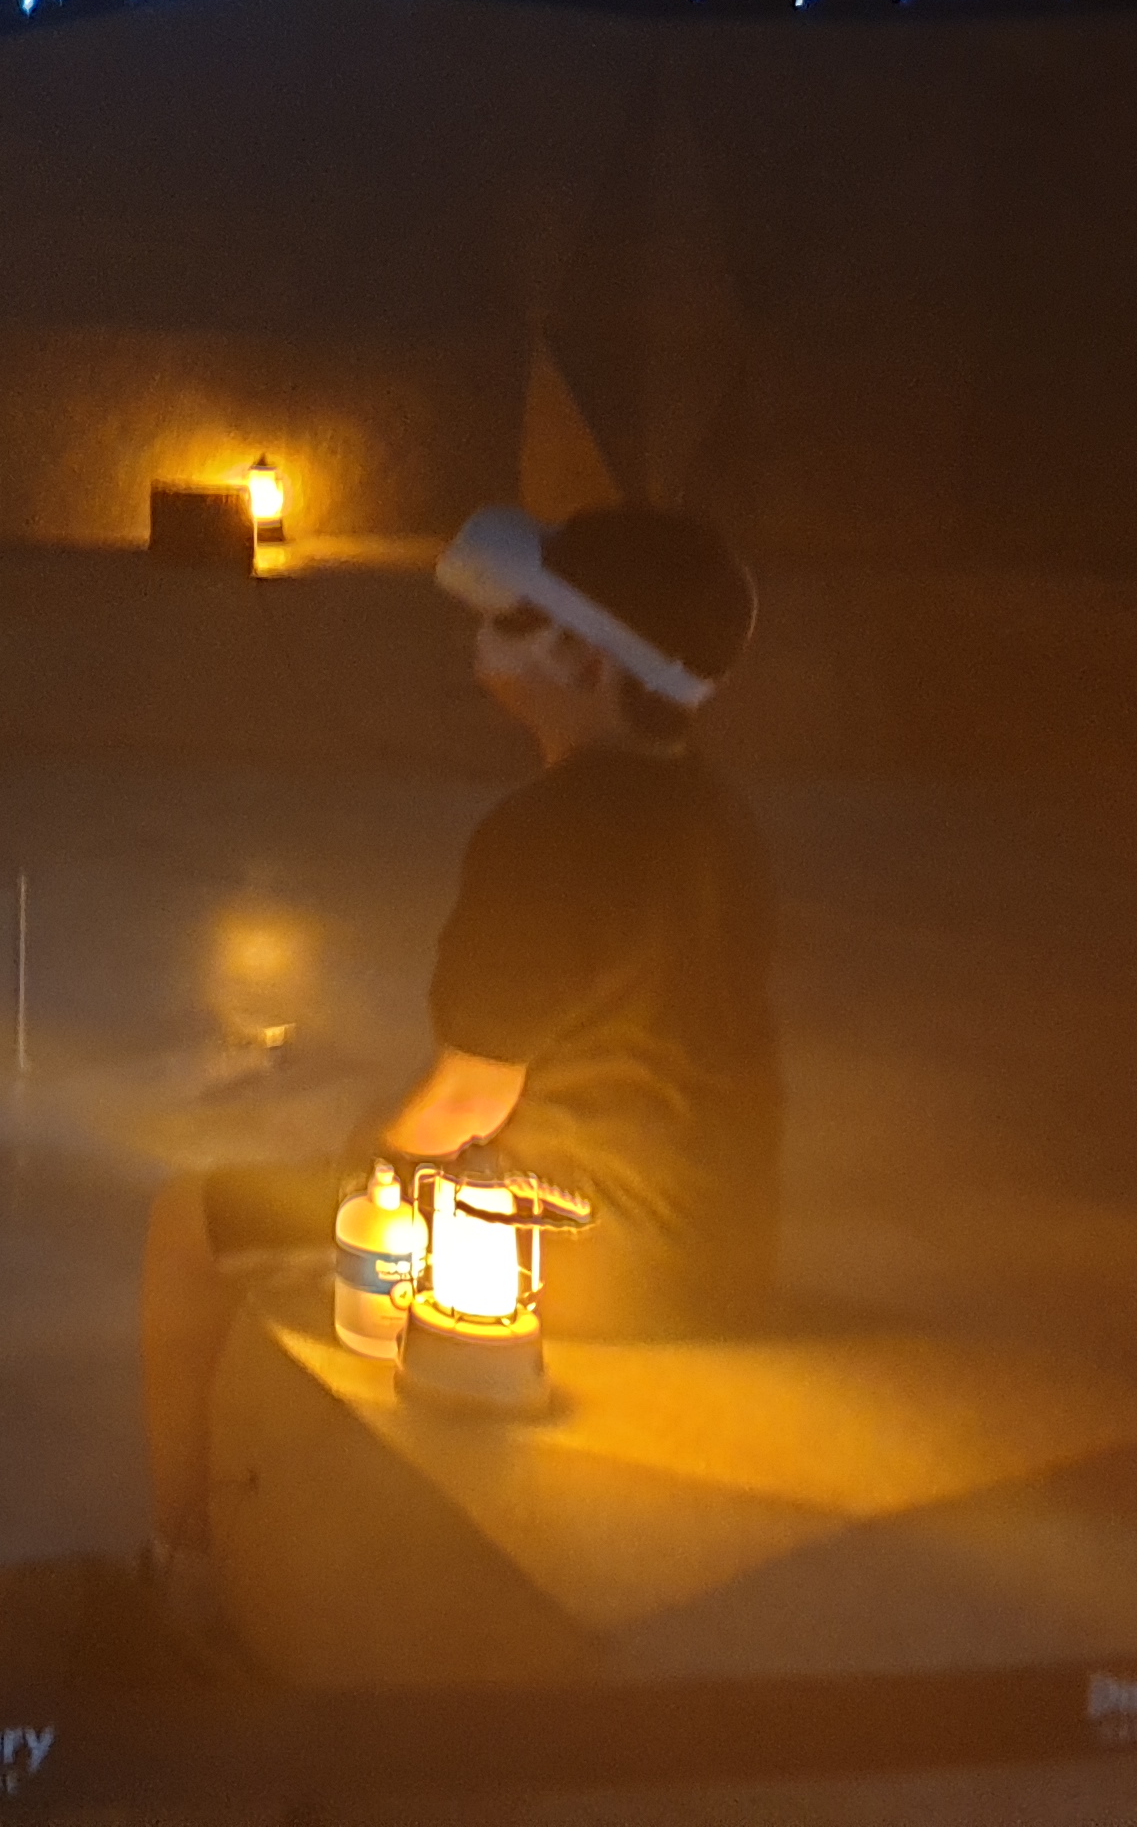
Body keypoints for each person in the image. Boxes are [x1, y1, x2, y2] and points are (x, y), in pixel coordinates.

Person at [139, 501, 775, 1579]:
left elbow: (468, 1102)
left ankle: (184, 1558)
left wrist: (364, 1168)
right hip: (716, 1241)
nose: (493, 634)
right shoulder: (717, 813)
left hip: (587, 1253)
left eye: (524, 618)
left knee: (191, 1224)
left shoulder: (548, 835)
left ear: (587, 663)